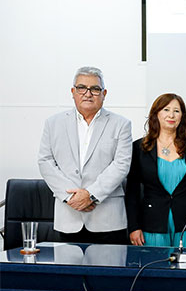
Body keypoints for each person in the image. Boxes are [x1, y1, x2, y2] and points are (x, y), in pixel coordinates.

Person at [38, 66, 132, 244]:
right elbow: (45, 161)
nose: (88, 94)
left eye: (95, 89)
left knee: (109, 272)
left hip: (108, 219)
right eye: (82, 88)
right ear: (73, 92)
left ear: (104, 93)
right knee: (67, 272)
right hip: (68, 216)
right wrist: (71, 197)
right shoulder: (53, 123)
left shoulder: (121, 124)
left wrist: (91, 194)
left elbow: (121, 165)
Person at [125, 93, 186, 248]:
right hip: (152, 222)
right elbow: (132, 192)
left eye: (177, 111)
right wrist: (134, 227)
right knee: (155, 270)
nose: (171, 115)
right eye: (166, 109)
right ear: (156, 114)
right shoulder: (139, 148)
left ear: (182, 116)